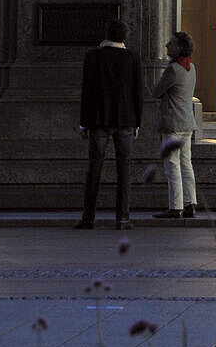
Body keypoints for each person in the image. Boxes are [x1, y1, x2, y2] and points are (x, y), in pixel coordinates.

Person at [76, 19, 143, 230]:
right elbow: (137, 93)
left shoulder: (93, 56)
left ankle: (89, 217)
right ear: (124, 36)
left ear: (107, 35)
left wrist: (84, 122)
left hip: (98, 119)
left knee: (94, 167)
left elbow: (87, 91)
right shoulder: (133, 58)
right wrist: (137, 122)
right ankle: (122, 218)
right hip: (125, 120)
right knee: (124, 169)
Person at [151, 31, 197, 220]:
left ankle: (175, 206)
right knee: (186, 164)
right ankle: (190, 203)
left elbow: (156, 91)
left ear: (179, 48)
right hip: (187, 123)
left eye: (170, 44)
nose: (167, 47)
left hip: (172, 123)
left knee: (172, 165)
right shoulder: (191, 67)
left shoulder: (173, 70)